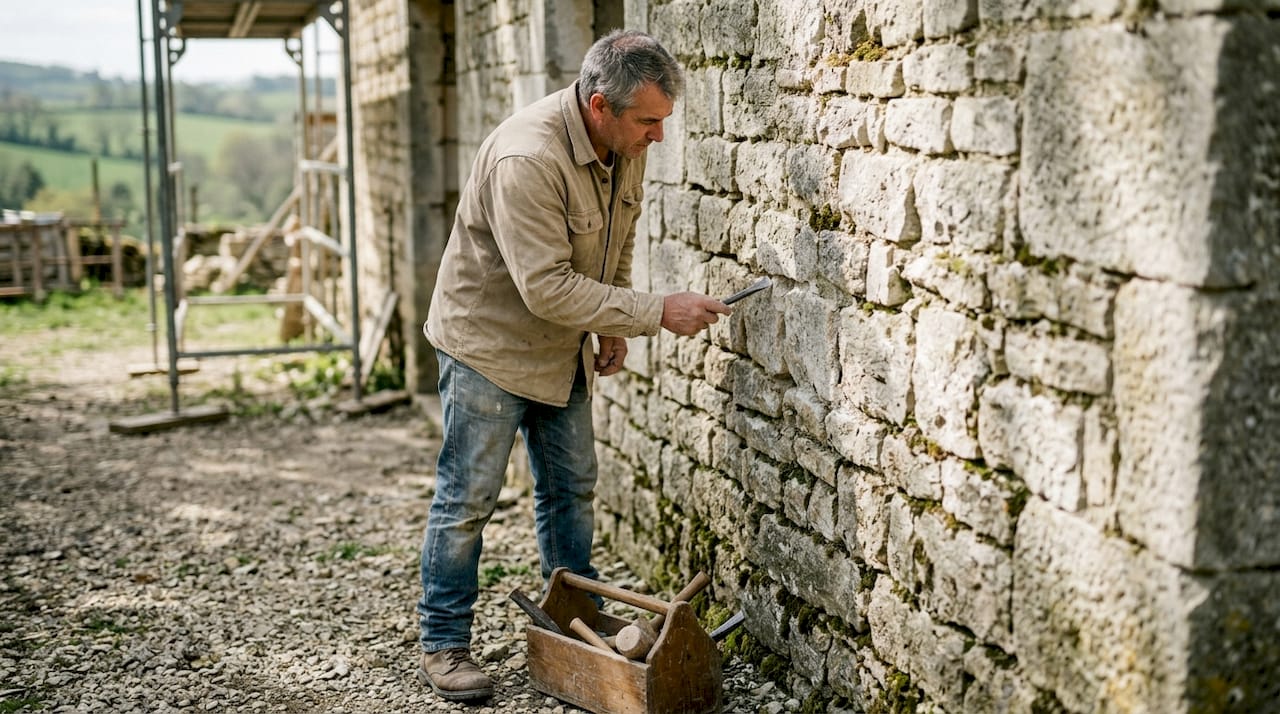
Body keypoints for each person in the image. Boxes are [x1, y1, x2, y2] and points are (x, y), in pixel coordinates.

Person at [415, 29, 730, 702]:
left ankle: (574, 633)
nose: (659, 137)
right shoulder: (525, 159)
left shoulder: (625, 141)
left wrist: (608, 321)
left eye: (663, 120)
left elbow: (621, 228)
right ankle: (444, 645)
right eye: (649, 121)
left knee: (571, 489)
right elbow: (546, 287)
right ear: (597, 105)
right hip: (488, 350)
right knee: (468, 500)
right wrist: (651, 311)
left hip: (560, 346)